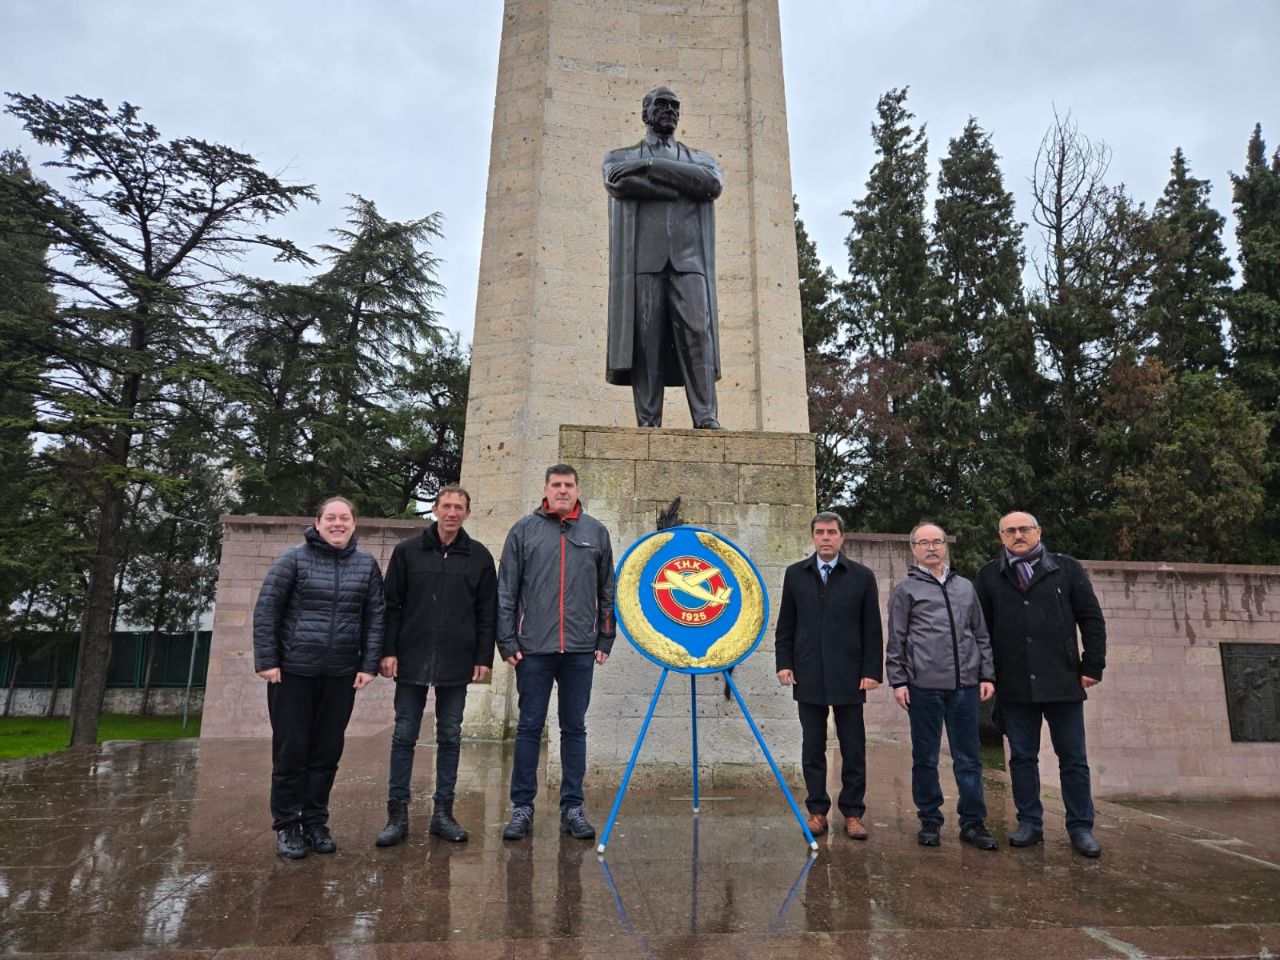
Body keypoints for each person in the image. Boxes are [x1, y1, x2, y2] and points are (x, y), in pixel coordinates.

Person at [252, 496, 385, 859]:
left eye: (345, 518)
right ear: (318, 521)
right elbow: (267, 611)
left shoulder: (366, 565)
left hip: (340, 675)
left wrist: (368, 664)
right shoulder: (293, 559)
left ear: (354, 524)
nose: (338, 523)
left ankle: (315, 822)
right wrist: (267, 660)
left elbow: (375, 618)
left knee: (326, 752)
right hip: (293, 673)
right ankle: (287, 826)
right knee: (291, 752)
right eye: (331, 518)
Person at [975, 511, 1107, 858]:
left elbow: (1091, 618)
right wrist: (986, 674)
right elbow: (981, 632)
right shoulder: (989, 575)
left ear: (1038, 532)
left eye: (1024, 529)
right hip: (1015, 682)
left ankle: (1080, 827)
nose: (1017, 535)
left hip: (1062, 679)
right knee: (1021, 758)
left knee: (1074, 759)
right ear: (1001, 536)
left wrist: (1093, 664)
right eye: (1010, 531)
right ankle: (1030, 822)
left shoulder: (1066, 568)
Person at [497, 465, 616, 841]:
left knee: (574, 728)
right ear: (545, 489)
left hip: (580, 649)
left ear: (578, 489)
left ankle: (573, 808)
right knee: (529, 727)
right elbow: (506, 591)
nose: (562, 490)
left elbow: (608, 590)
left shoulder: (596, 532)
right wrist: (507, 641)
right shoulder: (523, 530)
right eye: (556, 485)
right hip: (533, 649)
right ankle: (522, 808)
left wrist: (605, 639)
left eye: (568, 485)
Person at [374, 485, 497, 847]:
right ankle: (397, 814)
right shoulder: (407, 552)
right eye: (446, 506)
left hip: (457, 659)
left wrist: (482, 658)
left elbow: (486, 613)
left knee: (450, 736)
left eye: (459, 507)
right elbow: (390, 605)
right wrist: (388, 650)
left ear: (467, 513)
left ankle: (443, 813)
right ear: (435, 510)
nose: (452, 513)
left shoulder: (479, 557)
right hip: (411, 657)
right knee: (404, 735)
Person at [603, 86, 723, 429]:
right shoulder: (619, 156)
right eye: (662, 105)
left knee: (699, 334)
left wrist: (650, 166)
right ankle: (648, 421)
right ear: (646, 113)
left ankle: (705, 417)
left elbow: (711, 184)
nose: (669, 110)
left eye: (675, 106)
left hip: (690, 263)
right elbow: (617, 180)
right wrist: (678, 187)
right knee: (646, 341)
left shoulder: (700, 158)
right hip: (644, 262)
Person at [886, 522, 998, 850]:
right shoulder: (906, 590)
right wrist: (899, 680)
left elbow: (980, 634)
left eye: (937, 541)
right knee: (926, 757)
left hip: (964, 687)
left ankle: (973, 822)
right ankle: (930, 820)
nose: (931, 547)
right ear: (914, 549)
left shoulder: (965, 587)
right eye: (924, 543)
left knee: (969, 757)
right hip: (923, 687)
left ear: (946, 546)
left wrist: (987, 674)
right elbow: (898, 639)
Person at [775, 511, 883, 840]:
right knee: (812, 747)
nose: (826, 538)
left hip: (850, 675)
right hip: (808, 674)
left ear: (841, 538)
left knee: (853, 747)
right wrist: (784, 663)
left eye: (832, 532)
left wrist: (871, 671)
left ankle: (852, 813)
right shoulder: (796, 575)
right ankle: (817, 811)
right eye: (820, 532)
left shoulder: (861, 576)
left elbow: (872, 629)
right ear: (812, 537)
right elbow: (786, 625)